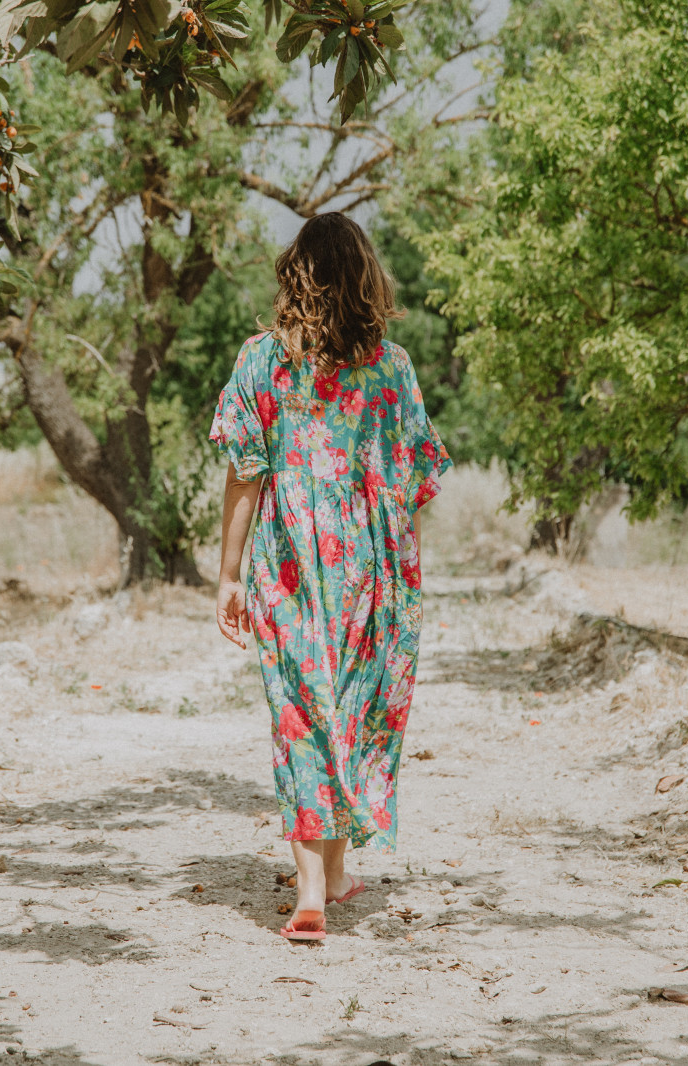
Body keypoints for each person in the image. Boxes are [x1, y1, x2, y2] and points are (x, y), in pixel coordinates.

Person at [208, 212, 451, 942]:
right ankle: (331, 877)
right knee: (351, 707)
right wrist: (405, 584)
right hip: (373, 565)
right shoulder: (393, 367)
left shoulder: (261, 361)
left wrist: (227, 576)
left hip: (289, 560)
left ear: (296, 274)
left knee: (301, 711)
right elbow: (412, 483)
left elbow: (244, 477)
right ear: (365, 278)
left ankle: (317, 890)